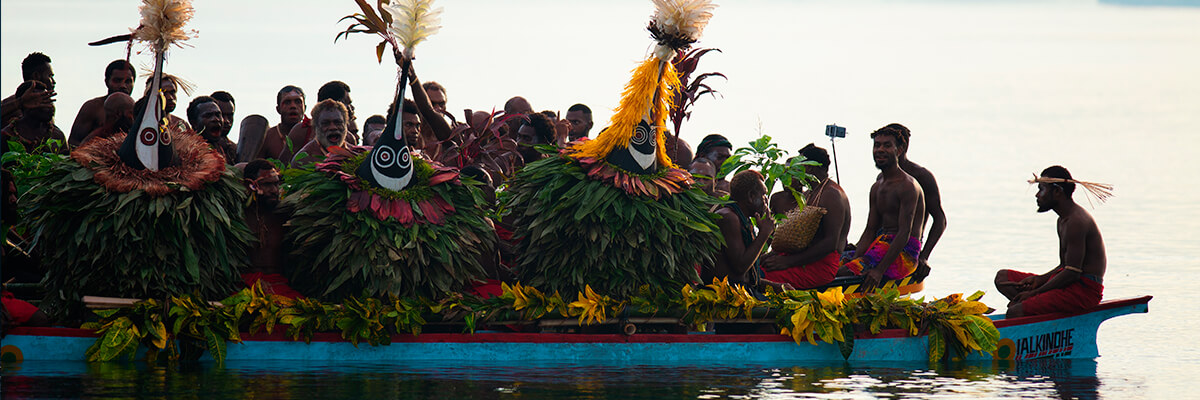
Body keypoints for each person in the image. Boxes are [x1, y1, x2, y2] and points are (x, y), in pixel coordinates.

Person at [995, 166, 1106, 318]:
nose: (1037, 195)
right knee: (1002, 278)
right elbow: (1064, 266)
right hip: (1070, 282)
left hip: (1083, 291)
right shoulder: (1062, 220)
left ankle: (1029, 311)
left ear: (1057, 192)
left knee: (1015, 312)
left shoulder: (1076, 221)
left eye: (1041, 189)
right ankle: (1035, 310)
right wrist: (1039, 279)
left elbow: (1072, 273)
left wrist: (1034, 293)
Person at [841, 124, 926, 291]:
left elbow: (904, 233)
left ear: (899, 150)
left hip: (904, 252)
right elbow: (870, 229)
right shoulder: (877, 187)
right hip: (881, 243)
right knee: (840, 261)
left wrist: (879, 271)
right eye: (877, 145)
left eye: (887, 145)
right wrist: (857, 256)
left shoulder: (908, 186)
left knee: (844, 271)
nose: (880, 149)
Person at [761, 144, 850, 289]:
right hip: (801, 259)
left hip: (821, 267)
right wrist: (773, 255)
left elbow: (831, 242)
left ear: (810, 168)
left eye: (797, 167)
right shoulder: (810, 193)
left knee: (762, 277)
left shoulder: (832, 194)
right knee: (755, 268)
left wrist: (788, 262)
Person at [885, 123, 947, 281]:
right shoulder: (882, 178)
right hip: (883, 242)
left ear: (902, 147)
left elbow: (940, 220)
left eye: (888, 145)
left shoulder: (921, 176)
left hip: (907, 246)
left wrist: (924, 256)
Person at [705, 170, 780, 290]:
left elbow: (747, 278)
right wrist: (764, 233)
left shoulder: (743, 219)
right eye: (763, 195)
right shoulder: (729, 217)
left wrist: (777, 286)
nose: (766, 201)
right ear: (751, 196)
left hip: (739, 291)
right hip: (724, 295)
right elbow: (740, 268)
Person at [240, 159, 303, 298]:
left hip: (279, 285)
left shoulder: (285, 215)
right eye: (267, 185)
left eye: (276, 184)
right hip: (244, 286)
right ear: (250, 185)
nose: (274, 190)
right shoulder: (238, 216)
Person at [283, 81, 357, 161]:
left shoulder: (349, 139)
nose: (351, 108)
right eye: (348, 103)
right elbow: (282, 166)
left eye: (337, 122)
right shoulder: (301, 131)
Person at [67, 60, 135, 146]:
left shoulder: (140, 110)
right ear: (107, 82)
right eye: (117, 80)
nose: (123, 85)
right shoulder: (93, 107)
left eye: (128, 81)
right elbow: (73, 144)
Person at [1, 81, 66, 153]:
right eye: (43, 102)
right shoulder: (7, 136)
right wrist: (20, 102)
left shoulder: (57, 136)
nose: (50, 106)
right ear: (27, 106)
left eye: (50, 101)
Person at [291, 99, 350, 168]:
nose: (333, 127)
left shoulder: (356, 154)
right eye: (326, 123)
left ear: (346, 125)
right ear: (315, 127)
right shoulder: (304, 160)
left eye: (338, 122)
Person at [1, 53, 56, 126]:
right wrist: (20, 103)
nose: (54, 82)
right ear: (36, 76)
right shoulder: (10, 106)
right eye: (50, 76)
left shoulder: (48, 108)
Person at [257, 85, 306, 161]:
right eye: (287, 102)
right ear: (278, 109)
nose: (293, 106)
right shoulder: (268, 137)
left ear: (304, 108)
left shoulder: (314, 135)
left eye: (297, 102)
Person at [186, 95, 236, 163]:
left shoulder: (228, 149)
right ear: (194, 123)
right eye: (208, 116)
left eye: (218, 115)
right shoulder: (187, 151)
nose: (216, 119)